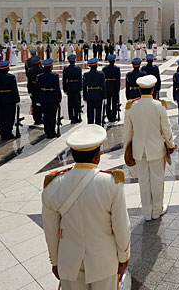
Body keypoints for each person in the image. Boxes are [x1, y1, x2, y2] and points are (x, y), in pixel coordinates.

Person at [42, 124, 130, 290]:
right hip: (103, 261)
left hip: (69, 262)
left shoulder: (53, 185)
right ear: (97, 156)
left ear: (73, 155)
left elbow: (50, 230)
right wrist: (123, 257)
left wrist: (55, 261)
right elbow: (121, 226)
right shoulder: (111, 183)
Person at [124, 75, 176, 221]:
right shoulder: (159, 106)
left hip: (139, 150)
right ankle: (156, 209)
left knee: (143, 180)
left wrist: (127, 150)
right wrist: (170, 145)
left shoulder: (131, 107)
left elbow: (127, 132)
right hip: (156, 149)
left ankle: (147, 212)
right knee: (157, 179)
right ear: (153, 90)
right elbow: (166, 129)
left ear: (139, 89)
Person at [0, 60, 20, 140]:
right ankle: (8, 133)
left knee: (1, 117)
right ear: (7, 68)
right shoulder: (11, 77)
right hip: (9, 99)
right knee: (9, 117)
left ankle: (2, 133)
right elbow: (14, 90)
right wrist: (17, 99)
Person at [37, 59, 61, 138]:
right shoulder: (54, 76)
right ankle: (51, 132)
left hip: (43, 97)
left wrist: (38, 99)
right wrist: (59, 98)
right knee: (52, 116)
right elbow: (57, 89)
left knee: (45, 115)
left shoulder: (40, 76)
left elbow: (37, 89)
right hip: (52, 97)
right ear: (51, 67)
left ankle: (47, 130)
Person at [83, 58, 106, 125]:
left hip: (89, 94)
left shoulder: (86, 75)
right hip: (98, 94)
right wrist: (104, 96)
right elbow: (103, 86)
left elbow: (84, 87)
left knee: (90, 112)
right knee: (98, 112)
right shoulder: (101, 74)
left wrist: (85, 96)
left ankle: (90, 125)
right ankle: (98, 125)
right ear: (96, 65)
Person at [63, 54, 83, 124]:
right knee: (76, 103)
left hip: (69, 87)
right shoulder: (78, 69)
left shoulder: (66, 69)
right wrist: (80, 88)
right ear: (75, 60)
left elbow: (64, 81)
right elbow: (80, 80)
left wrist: (65, 89)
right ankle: (76, 117)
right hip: (76, 87)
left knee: (70, 103)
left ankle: (71, 117)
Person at [103, 54, 121, 122]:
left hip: (107, 86)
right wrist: (118, 88)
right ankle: (113, 115)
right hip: (114, 86)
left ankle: (108, 116)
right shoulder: (117, 69)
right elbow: (118, 80)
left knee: (108, 102)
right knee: (114, 102)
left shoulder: (105, 69)